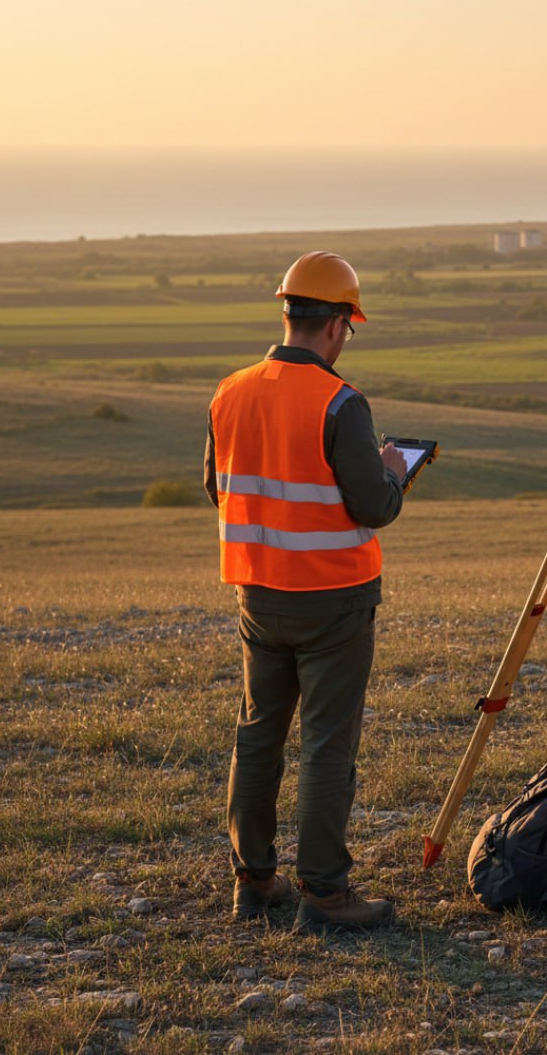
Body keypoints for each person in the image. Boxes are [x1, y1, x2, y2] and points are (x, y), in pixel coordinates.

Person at [204, 251, 407, 932]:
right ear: (338, 325)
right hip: (334, 600)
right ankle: (324, 893)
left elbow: (219, 490)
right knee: (327, 745)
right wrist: (393, 474)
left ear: (288, 313)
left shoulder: (229, 391)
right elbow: (373, 507)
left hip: (257, 597)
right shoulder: (342, 403)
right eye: (350, 324)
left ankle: (254, 881)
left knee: (259, 735)